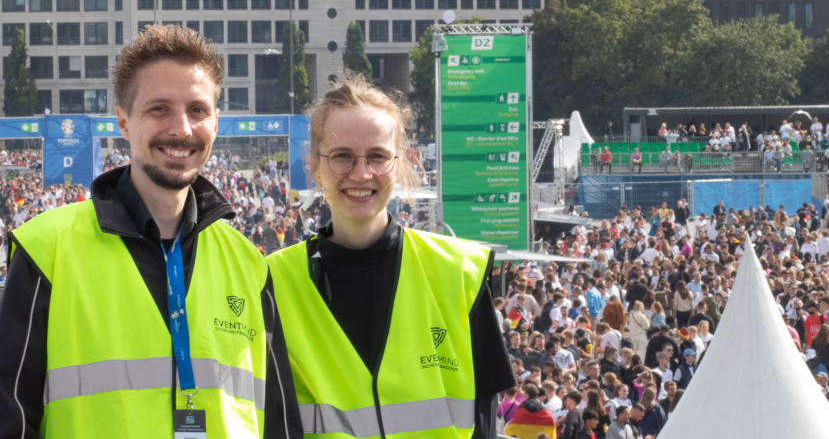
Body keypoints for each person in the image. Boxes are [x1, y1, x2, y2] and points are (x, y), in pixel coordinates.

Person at [0, 25, 303, 437]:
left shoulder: (248, 262)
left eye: (197, 110)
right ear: (123, 122)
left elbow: (279, 421)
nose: (181, 129)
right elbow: (11, 415)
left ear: (216, 121)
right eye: (159, 109)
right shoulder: (47, 249)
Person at [265, 73, 515, 438]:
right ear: (315, 167)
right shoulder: (272, 282)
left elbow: (484, 423)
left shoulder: (461, 272)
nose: (362, 172)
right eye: (342, 156)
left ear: (399, 164)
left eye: (378, 156)